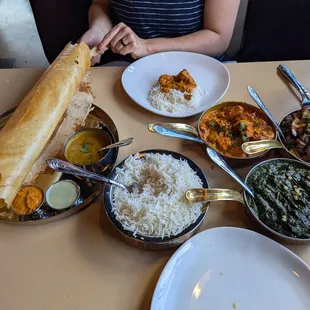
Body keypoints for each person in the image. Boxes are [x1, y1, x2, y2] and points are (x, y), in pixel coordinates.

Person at [80, 0, 240, 65]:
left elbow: (218, 37)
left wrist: (147, 46)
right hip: (126, 68)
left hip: (200, 67)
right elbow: (101, 5)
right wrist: (100, 30)